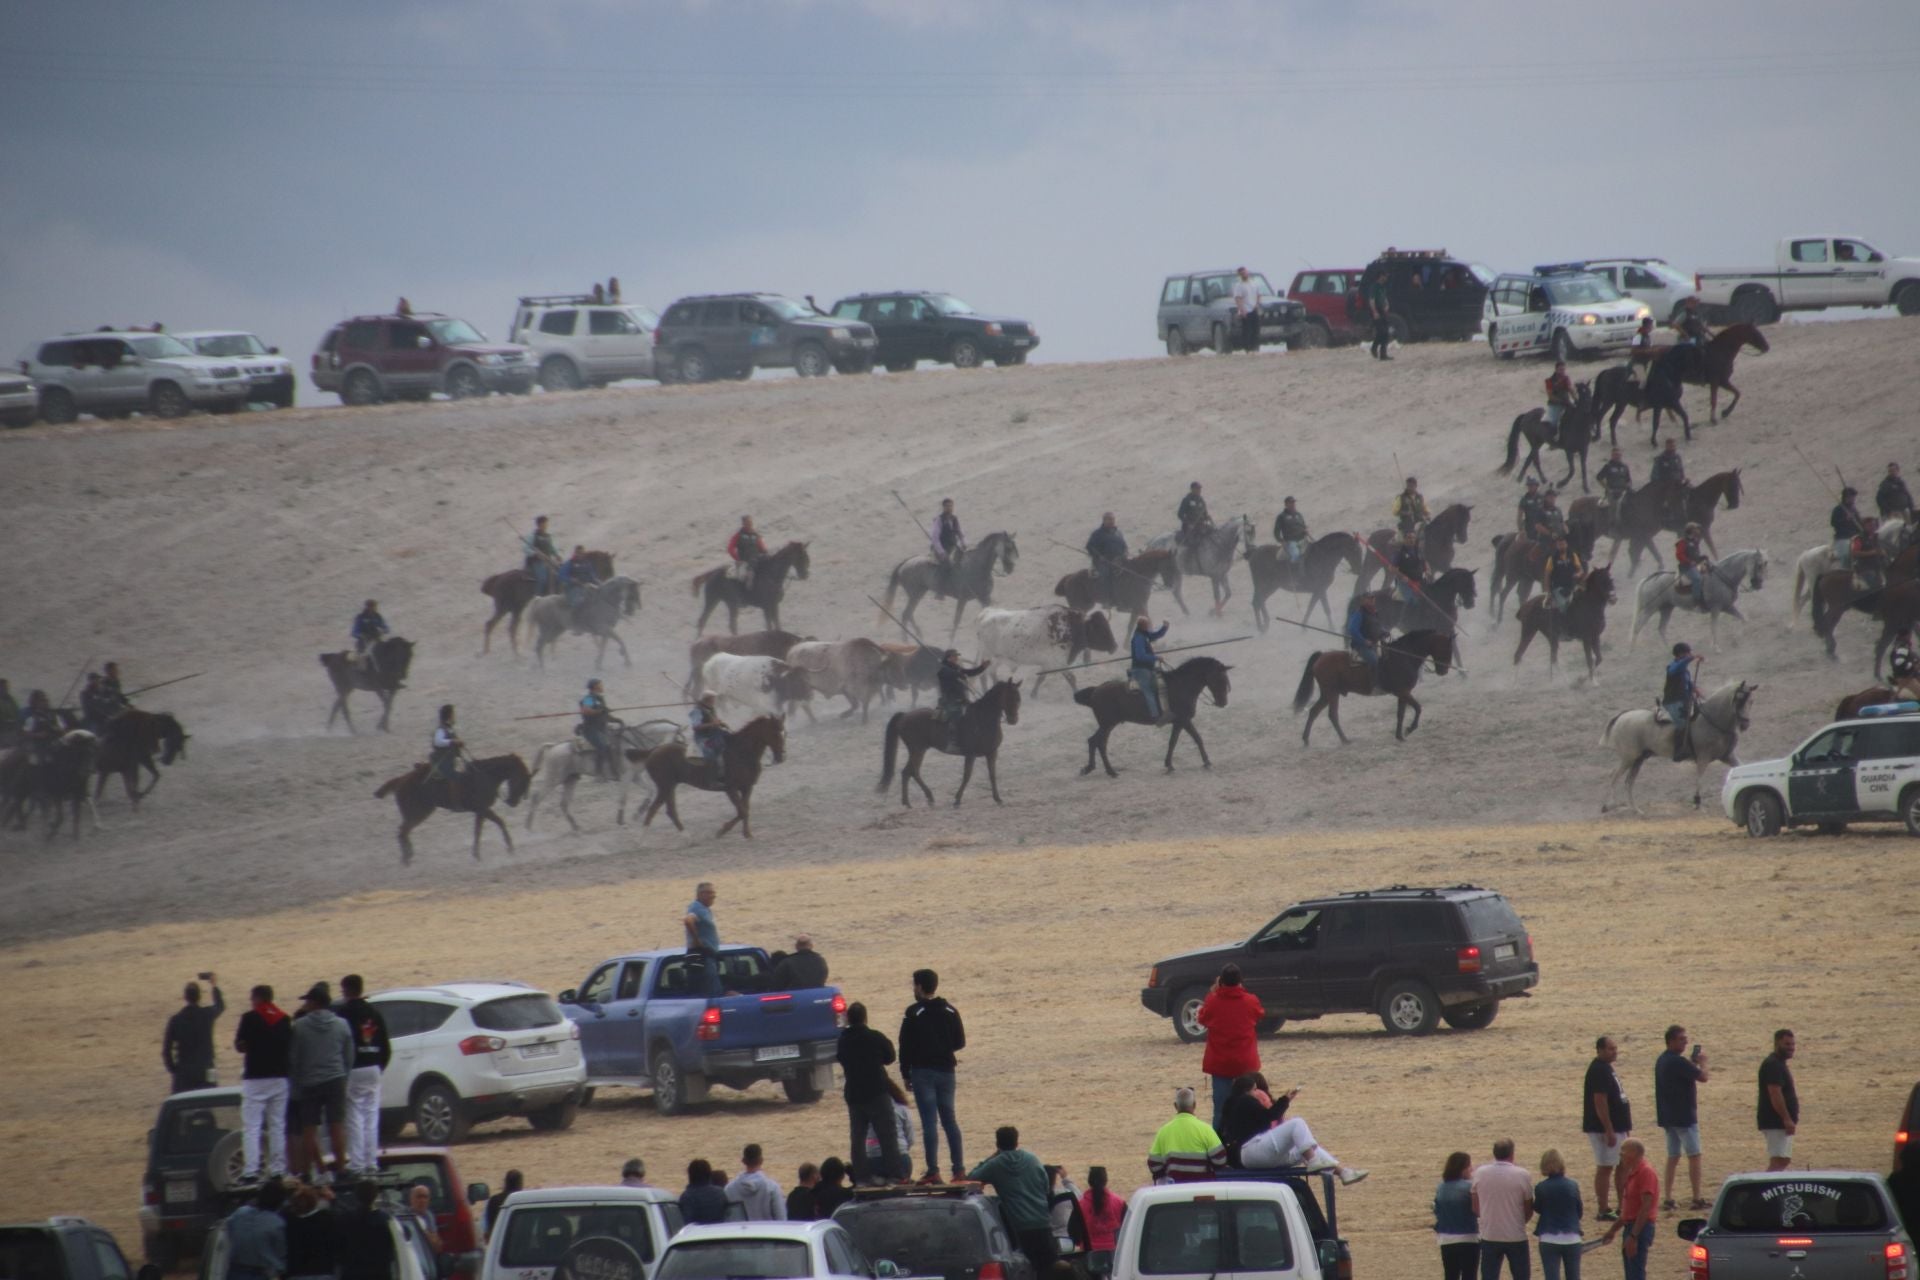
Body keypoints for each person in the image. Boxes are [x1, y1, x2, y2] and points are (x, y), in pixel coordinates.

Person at [900, 967, 967, 1184]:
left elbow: (904, 1046)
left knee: (929, 1122)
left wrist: (905, 1073)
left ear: (919, 986)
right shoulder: (950, 1010)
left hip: (922, 1072)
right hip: (947, 1071)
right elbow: (960, 1042)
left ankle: (933, 1171)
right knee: (950, 1120)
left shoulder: (913, 1013)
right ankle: (958, 1170)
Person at [290, 981, 353, 1183]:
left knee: (309, 1129)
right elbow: (349, 1054)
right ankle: (341, 1169)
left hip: (309, 1082)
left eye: (308, 1001)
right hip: (335, 1079)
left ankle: (309, 1171)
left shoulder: (299, 1026)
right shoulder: (341, 1024)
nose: (306, 1004)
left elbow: (294, 1058)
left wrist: (296, 1082)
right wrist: (344, 1074)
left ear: (315, 1003)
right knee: (336, 1126)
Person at [970, 1126, 1055, 1268]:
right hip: (1043, 1224)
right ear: (1017, 1142)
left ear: (997, 1144)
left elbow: (972, 1178)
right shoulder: (1033, 1160)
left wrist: (991, 1157)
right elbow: (1046, 1188)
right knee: (1049, 1270)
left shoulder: (995, 1164)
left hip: (1018, 1230)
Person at [837, 1002, 902, 1186]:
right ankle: (895, 1175)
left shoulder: (844, 1040)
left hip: (855, 1095)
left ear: (849, 1018)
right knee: (887, 1135)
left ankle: (862, 1177)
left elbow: (841, 1058)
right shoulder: (874, 1037)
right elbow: (890, 1057)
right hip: (877, 1092)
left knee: (857, 1138)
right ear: (865, 1018)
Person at [1238, 1094, 1367, 1185]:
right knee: (1297, 1123)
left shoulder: (1252, 1103)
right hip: (1251, 1150)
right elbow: (1269, 1116)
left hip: (1263, 1155)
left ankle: (1343, 1172)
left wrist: (1284, 1100)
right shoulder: (1247, 1100)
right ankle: (1313, 1161)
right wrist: (1284, 1101)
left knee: (1307, 1146)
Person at [235, 983, 293, 1183]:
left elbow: (240, 1046)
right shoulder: (284, 1019)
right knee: (277, 1125)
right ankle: (278, 1169)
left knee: (252, 1126)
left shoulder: (249, 1018)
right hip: (280, 1078)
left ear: (258, 998)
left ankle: (251, 1171)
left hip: (256, 1078)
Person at [335, 975, 390, 1177]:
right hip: (374, 1067)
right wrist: (379, 1066)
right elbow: (386, 1045)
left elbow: (339, 1044)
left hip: (353, 1068)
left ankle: (357, 1163)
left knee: (354, 1117)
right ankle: (371, 1162)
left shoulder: (343, 1014)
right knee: (371, 1116)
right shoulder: (374, 1013)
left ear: (347, 990)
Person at [1196, 965, 1263, 1128]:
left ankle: (1218, 1146)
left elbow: (1202, 1018)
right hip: (1246, 1063)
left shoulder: (1213, 1001)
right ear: (1240, 981)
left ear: (1222, 981)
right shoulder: (1250, 1000)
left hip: (1221, 1064)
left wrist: (1214, 991)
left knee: (1220, 1110)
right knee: (1251, 1107)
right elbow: (1259, 1013)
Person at [1653, 1024, 1710, 1212]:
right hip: (1684, 1116)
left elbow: (1684, 1075)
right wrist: (1703, 1062)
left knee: (1673, 1156)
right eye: (1681, 1039)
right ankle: (1696, 1197)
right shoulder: (1677, 1061)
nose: (1685, 1042)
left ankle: (1668, 1197)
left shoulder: (1663, 1060)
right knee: (1694, 1155)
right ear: (1671, 1041)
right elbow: (1703, 1077)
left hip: (1668, 1116)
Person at [1583, 1035, 1633, 1221]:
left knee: (1622, 1166)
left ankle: (1623, 1205)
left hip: (1618, 1126)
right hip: (1603, 1129)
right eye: (1611, 1049)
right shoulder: (1598, 1070)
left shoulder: (1606, 1068)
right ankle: (1603, 1208)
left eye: (1615, 1048)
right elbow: (1600, 1101)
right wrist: (1609, 1129)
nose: (1615, 1052)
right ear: (1600, 1050)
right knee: (1605, 1167)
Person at [1470, 1138, 1534, 1280]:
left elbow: (1475, 1207)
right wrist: (1519, 1221)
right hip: (1516, 1234)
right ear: (1512, 1154)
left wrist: (1487, 1216)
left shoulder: (1480, 1173)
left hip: (1490, 1233)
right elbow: (1528, 1208)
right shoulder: (1522, 1175)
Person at [1599, 1140, 1657, 1280]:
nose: (1620, 1154)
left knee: (1635, 1274)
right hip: (1631, 1227)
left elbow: (1645, 1208)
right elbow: (1628, 1211)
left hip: (1639, 1229)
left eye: (1624, 1150)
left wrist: (1633, 1236)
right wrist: (1613, 1230)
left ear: (1635, 1153)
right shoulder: (1633, 1173)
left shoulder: (1645, 1173)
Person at [1147, 1087, 1230, 1183]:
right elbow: (1220, 1160)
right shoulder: (1206, 1129)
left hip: (1174, 1187)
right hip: (1203, 1187)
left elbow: (1154, 1164)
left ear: (1175, 1106)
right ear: (1194, 1105)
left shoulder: (1163, 1131)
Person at [164, 972, 225, 1094]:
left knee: (183, 1105)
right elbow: (220, 1006)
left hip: (184, 1072)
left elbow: (166, 1050)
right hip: (207, 1068)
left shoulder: (176, 1020)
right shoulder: (207, 1014)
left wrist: (175, 1070)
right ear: (199, 996)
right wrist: (214, 985)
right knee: (210, 1099)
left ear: (185, 997)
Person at [1532, 1150, 1583, 1280]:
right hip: (1572, 1236)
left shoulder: (1541, 1187)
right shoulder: (1573, 1185)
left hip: (1549, 1237)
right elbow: (1579, 1211)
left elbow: (1538, 1208)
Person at [225, 1180, 288, 1280]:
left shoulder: (240, 1213)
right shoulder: (276, 1223)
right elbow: (281, 1252)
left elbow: (228, 1230)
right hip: (260, 1273)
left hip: (235, 1271)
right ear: (280, 1202)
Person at [334, 1180, 397, 1280]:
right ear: (376, 1195)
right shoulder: (386, 1221)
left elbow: (337, 1247)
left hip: (352, 1274)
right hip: (380, 1274)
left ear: (356, 1195)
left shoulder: (345, 1219)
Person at [1433, 1151, 1479, 1280]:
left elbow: (1437, 1211)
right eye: (1469, 1166)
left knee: (1450, 1274)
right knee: (1469, 1275)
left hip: (1446, 1238)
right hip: (1468, 1237)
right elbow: (1477, 1210)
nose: (1472, 1169)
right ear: (1462, 1168)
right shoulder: (1469, 1187)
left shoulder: (1441, 1187)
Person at [1758, 1028, 1799, 1172]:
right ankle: (1764, 1191)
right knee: (1778, 1160)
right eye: (1787, 1044)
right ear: (1777, 1044)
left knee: (1784, 1159)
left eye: (1793, 1044)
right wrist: (1786, 1119)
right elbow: (1775, 1093)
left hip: (1779, 1121)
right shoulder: (1773, 1064)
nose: (1791, 1048)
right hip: (1775, 1121)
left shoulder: (1779, 1064)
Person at [283, 1182, 337, 1280]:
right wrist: (333, 1200)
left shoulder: (289, 1222)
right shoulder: (325, 1218)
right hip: (321, 1271)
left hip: (298, 1272)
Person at [1078, 1167, 1124, 1277]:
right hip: (1112, 1253)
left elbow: (1073, 1232)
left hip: (1089, 1253)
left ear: (1089, 1181)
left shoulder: (1081, 1205)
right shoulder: (1118, 1202)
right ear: (1105, 1181)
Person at [1662, 643, 1703, 763]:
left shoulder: (1685, 671)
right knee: (1682, 724)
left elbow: (1688, 683)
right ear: (1680, 654)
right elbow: (1676, 669)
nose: (1689, 654)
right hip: (1673, 702)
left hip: (1685, 700)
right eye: (1687, 653)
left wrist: (1696, 690)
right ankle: (1679, 751)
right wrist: (1691, 658)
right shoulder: (1672, 666)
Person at [726, 1144, 786, 1220]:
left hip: (741, 1231)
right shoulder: (772, 1187)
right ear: (761, 1160)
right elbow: (781, 1218)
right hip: (767, 1231)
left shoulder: (729, 1189)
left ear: (743, 1161)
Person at [1128, 615, 1170, 722]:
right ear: (1143, 626)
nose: (1149, 626)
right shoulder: (1138, 638)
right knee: (1148, 692)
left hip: (1148, 669)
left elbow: (1156, 635)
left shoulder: (1144, 635)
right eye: (1148, 625)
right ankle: (1156, 717)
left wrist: (1164, 627)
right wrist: (1156, 657)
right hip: (1140, 670)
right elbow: (1140, 656)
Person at [936, 650, 990, 729]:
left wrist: (982, 668)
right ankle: (952, 739)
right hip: (949, 701)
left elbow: (970, 672)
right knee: (956, 723)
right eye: (954, 656)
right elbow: (951, 674)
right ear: (948, 658)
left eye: (957, 656)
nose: (956, 658)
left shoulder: (956, 668)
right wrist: (959, 674)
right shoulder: (943, 670)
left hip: (960, 700)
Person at [579, 678, 615, 781]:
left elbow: (603, 715)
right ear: (595, 686)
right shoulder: (589, 698)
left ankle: (610, 770)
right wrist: (600, 711)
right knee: (602, 747)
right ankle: (598, 774)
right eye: (600, 684)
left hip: (601, 728)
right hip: (590, 729)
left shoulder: (599, 698)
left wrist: (617, 720)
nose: (602, 686)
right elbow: (586, 711)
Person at [1046, 1165, 1086, 1256]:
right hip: (1065, 1240)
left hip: (1044, 1241)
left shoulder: (1034, 1197)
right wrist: (1065, 1178)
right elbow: (1079, 1198)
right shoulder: (1063, 1195)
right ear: (1054, 1179)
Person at [929, 498, 966, 595]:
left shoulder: (954, 519)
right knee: (947, 564)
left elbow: (959, 532)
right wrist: (941, 551)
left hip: (952, 548)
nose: (950, 508)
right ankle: (940, 590)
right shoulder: (939, 520)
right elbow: (935, 538)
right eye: (947, 506)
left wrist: (963, 542)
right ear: (944, 507)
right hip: (941, 549)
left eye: (951, 506)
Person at [679, 1159, 730, 1225]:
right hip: (719, 1231)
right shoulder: (720, 1193)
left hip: (697, 1233)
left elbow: (686, 1222)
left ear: (690, 1176)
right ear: (709, 1175)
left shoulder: (687, 1197)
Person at [427, 705, 463, 799]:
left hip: (450, 760)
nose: (454, 717)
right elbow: (438, 742)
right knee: (454, 777)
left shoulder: (449, 729)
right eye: (453, 714)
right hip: (442, 762)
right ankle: (455, 800)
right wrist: (452, 741)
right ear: (449, 715)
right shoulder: (441, 729)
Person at [1544, 538, 1583, 622]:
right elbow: (1547, 575)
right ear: (1557, 546)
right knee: (1563, 607)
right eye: (1559, 545)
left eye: (1563, 544)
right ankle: (1562, 627)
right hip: (1558, 588)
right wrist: (1548, 591)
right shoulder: (1552, 558)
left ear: (1566, 544)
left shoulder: (1573, 555)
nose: (1562, 546)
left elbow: (1580, 569)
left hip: (1572, 586)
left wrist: (1578, 574)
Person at [1650, 439, 1688, 527]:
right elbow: (1654, 474)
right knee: (1670, 495)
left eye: (1673, 445)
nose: (1672, 447)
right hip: (1666, 483)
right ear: (1666, 446)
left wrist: (1684, 478)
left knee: (1690, 490)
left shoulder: (1677, 457)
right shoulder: (1661, 458)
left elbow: (1681, 470)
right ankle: (1669, 513)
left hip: (1678, 482)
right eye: (1670, 445)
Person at [1345, 594, 1382, 675]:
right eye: (1369, 598)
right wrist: (1364, 641)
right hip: (1361, 646)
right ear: (1364, 600)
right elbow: (1352, 629)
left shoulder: (1374, 613)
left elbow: (1378, 626)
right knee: (1374, 660)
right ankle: (1374, 683)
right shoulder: (1359, 613)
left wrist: (1384, 632)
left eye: (1373, 598)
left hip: (1374, 645)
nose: (1372, 600)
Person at [689, 692, 728, 767]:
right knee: (709, 753)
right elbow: (696, 727)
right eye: (713, 700)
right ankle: (709, 772)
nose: (714, 702)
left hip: (713, 734)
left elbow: (714, 721)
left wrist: (720, 723)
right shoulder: (696, 711)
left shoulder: (711, 709)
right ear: (707, 700)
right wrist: (712, 724)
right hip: (703, 737)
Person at [401, 1184, 441, 1255]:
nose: (422, 1200)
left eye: (425, 1197)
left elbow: (436, 1245)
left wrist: (423, 1230)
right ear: (411, 1199)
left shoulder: (428, 1216)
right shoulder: (404, 1216)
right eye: (419, 1197)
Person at [524, 516, 560, 595]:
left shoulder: (548, 536)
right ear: (539, 524)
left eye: (546, 524)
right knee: (542, 578)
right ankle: (537, 597)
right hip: (536, 562)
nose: (546, 526)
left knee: (557, 576)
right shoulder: (532, 536)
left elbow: (551, 548)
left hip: (548, 561)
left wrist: (557, 555)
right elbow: (526, 549)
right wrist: (535, 554)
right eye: (544, 524)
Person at [1231, 266, 1263, 353]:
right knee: (1247, 330)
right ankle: (1247, 349)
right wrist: (1242, 310)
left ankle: (1255, 348)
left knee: (1256, 329)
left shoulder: (1254, 283)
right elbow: (1238, 298)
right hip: (1246, 310)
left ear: (1247, 272)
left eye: (1245, 273)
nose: (1244, 275)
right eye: (1241, 274)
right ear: (1239, 275)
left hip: (1254, 309)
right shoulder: (1239, 285)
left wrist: (1257, 305)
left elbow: (1259, 295)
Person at [1832, 486, 1866, 568]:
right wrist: (1845, 519)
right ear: (1846, 498)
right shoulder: (1838, 509)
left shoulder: (1853, 509)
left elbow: (1859, 522)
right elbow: (1833, 523)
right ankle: (1845, 570)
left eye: (1854, 497)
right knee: (1846, 555)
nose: (1854, 500)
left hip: (1855, 536)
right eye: (1852, 497)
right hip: (1843, 537)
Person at [484, 1170, 524, 1239]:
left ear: (505, 1182)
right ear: (520, 1184)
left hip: (497, 1239)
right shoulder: (523, 1200)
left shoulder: (494, 1200)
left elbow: (488, 1227)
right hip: (518, 1240)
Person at [684, 882, 720, 957]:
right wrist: (697, 942)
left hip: (709, 954)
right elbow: (688, 921)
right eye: (710, 893)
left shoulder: (705, 909)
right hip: (703, 955)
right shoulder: (696, 907)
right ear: (700, 894)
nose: (714, 896)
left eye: (714, 893)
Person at [1597, 449, 1633, 525]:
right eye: (1615, 455)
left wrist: (1629, 485)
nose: (1617, 457)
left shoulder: (1625, 467)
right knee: (1616, 506)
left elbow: (1629, 479)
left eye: (1618, 455)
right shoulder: (1608, 466)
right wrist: (1607, 488)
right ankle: (1614, 524)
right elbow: (1599, 477)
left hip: (1624, 491)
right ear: (1612, 456)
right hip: (1613, 491)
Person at [1675, 523, 1709, 603]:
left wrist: (1703, 557)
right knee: (1697, 579)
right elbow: (1679, 555)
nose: (1698, 531)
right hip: (1686, 567)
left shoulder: (1695, 541)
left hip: (1696, 565)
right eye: (1696, 529)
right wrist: (1689, 562)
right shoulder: (1682, 542)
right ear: (1691, 531)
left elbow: (1695, 556)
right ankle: (1697, 599)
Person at [728, 515, 766, 585]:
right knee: (747, 576)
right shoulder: (738, 535)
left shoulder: (756, 535)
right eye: (747, 522)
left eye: (750, 522)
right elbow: (730, 548)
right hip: (744, 561)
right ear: (743, 524)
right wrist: (738, 559)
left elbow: (762, 548)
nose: (749, 524)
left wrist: (765, 553)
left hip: (756, 560)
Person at [350, 600, 389, 668]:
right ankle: (362, 669)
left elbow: (385, 627)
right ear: (367, 607)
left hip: (376, 639)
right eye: (371, 607)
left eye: (374, 607)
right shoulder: (361, 617)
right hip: (364, 641)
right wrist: (361, 635)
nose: (373, 608)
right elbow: (354, 632)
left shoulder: (377, 616)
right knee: (363, 656)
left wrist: (383, 630)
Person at [1393, 530, 1426, 605]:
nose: (1411, 540)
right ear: (1404, 539)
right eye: (1409, 538)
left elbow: (1424, 561)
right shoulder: (1399, 552)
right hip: (1406, 583)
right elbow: (1392, 568)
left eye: (1413, 538)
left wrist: (1427, 569)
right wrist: (1402, 576)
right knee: (1411, 602)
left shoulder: (1418, 550)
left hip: (1419, 580)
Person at [1853, 517, 1887, 590]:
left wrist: (1883, 552)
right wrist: (1871, 552)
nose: (1872, 527)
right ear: (1864, 527)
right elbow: (1855, 553)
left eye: (1874, 525)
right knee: (1876, 586)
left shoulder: (1877, 536)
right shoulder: (1859, 538)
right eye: (1870, 526)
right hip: (1866, 568)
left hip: (1879, 565)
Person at [560, 545, 598, 609]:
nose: (581, 555)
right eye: (579, 553)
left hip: (586, 587)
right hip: (573, 588)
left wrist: (596, 581)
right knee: (578, 603)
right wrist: (571, 579)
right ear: (575, 553)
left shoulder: (587, 563)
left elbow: (592, 575)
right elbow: (561, 575)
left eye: (582, 553)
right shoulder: (570, 563)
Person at [1367, 269, 1393, 360]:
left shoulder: (1382, 287)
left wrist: (1387, 305)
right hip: (1376, 311)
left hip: (1383, 311)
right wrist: (1374, 312)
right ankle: (1374, 347)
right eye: (1385, 276)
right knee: (1381, 332)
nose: (1386, 278)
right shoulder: (1374, 287)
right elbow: (1371, 300)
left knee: (1386, 333)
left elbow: (1384, 297)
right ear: (1381, 276)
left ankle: (1383, 354)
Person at [1275, 497, 1309, 565]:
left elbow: (1303, 526)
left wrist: (1305, 530)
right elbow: (1276, 532)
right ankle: (1294, 573)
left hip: (1303, 540)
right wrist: (1281, 541)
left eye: (1293, 502)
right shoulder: (1281, 517)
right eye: (1290, 503)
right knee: (1295, 555)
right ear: (1286, 504)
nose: (1293, 504)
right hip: (1291, 542)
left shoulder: (1298, 515)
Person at [1176, 482, 1212, 546]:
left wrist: (1207, 517)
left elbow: (1205, 513)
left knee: (1213, 533)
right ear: (1192, 489)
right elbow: (1180, 514)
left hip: (1201, 525)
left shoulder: (1201, 500)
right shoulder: (1187, 500)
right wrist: (1188, 523)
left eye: (1200, 489)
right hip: (1189, 527)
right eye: (1197, 489)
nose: (1199, 490)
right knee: (1193, 543)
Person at [1544, 361, 1574, 432]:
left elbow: (1570, 390)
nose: (1563, 371)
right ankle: (1554, 437)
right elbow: (1550, 396)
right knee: (1554, 423)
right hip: (1555, 404)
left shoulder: (1566, 378)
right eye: (1561, 370)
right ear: (1556, 370)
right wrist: (1561, 401)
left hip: (1567, 403)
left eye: (1564, 370)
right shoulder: (1549, 381)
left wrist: (1576, 399)